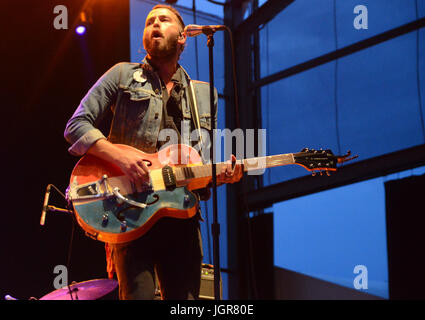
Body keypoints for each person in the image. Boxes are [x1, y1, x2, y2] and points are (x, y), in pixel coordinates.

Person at [64, 4, 242, 300]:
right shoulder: (122, 74)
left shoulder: (203, 95)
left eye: (163, 20)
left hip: (182, 218)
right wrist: (119, 156)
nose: (154, 25)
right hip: (131, 214)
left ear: (183, 37)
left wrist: (221, 175)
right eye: (149, 21)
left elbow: (200, 163)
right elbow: (76, 126)